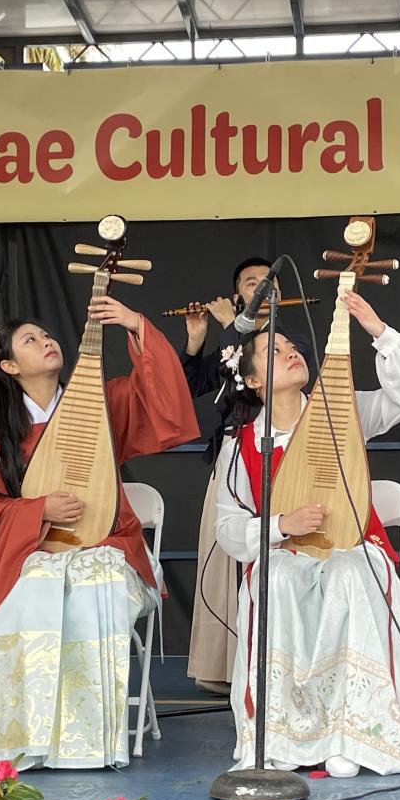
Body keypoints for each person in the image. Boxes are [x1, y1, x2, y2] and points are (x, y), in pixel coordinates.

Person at [213, 291, 400, 777]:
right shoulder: (240, 445)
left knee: (350, 574)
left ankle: (353, 734)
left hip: (355, 547)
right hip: (285, 552)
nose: (291, 352)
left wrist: (378, 329)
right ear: (251, 381)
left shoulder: (344, 408)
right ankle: (290, 733)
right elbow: (228, 529)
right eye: (273, 351)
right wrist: (279, 526)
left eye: (292, 345)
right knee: (278, 580)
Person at [0, 292, 198, 769]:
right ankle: (26, 737)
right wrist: (38, 509)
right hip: (32, 551)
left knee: (91, 583)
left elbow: (162, 400)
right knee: (36, 585)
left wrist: (135, 325)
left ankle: (87, 745)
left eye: (46, 334)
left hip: (108, 544)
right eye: (30, 339)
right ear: (7, 365)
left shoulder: (100, 406)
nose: (46, 341)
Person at [178, 257, 273, 696]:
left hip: (281, 451)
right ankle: (224, 666)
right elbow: (190, 388)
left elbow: (257, 379)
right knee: (224, 558)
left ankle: (272, 663)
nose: (261, 287)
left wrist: (234, 327)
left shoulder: (294, 342)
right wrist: (197, 341)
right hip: (234, 452)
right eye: (251, 283)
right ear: (238, 296)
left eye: (267, 282)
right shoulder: (231, 338)